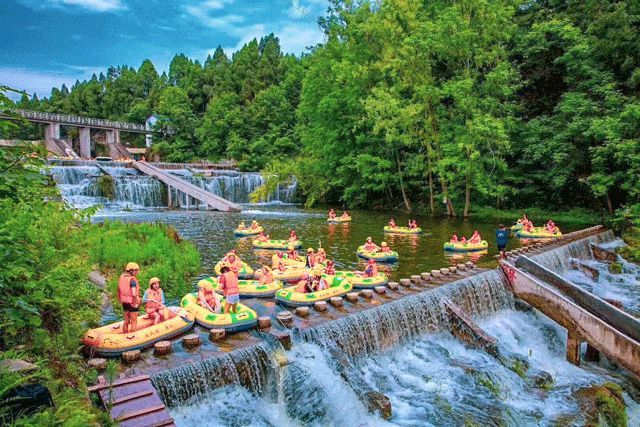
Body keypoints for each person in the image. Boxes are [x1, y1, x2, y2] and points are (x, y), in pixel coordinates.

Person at [118, 262, 141, 334]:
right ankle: (133, 337)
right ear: (131, 270)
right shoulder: (132, 281)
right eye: (136, 270)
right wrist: (135, 304)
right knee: (134, 321)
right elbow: (134, 294)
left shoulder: (122, 278)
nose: (137, 272)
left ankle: (125, 334)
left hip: (124, 302)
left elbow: (119, 290)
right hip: (132, 302)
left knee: (126, 320)